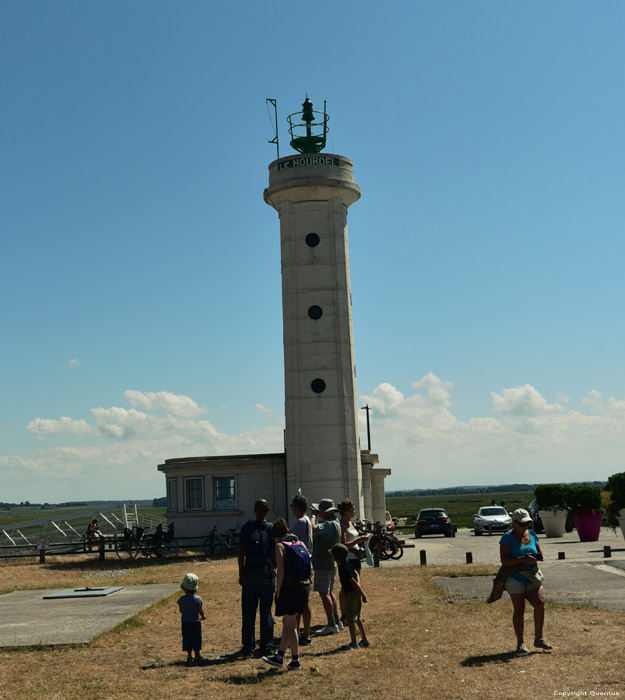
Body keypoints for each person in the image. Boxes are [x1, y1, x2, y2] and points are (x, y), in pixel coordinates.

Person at [498, 508, 552, 653]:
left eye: (527, 523)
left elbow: (540, 553)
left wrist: (538, 556)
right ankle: (520, 643)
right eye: (522, 524)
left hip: (532, 575)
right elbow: (504, 560)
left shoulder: (533, 535)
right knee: (519, 609)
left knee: (539, 604)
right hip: (515, 578)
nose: (525, 526)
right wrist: (523, 559)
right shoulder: (507, 537)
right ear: (514, 522)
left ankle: (539, 639)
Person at [261, 518, 311, 670]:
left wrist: (278, 589)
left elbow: (281, 570)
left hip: (290, 588)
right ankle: (280, 655)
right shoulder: (299, 543)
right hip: (304, 587)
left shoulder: (279, 546)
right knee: (287, 622)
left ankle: (295, 659)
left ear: (275, 535)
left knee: (291, 625)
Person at [237, 499, 275, 658]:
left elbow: (241, 552)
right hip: (266, 574)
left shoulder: (247, 527)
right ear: (268, 511)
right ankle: (266, 647)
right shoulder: (272, 529)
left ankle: (248, 647)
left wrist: (241, 573)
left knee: (248, 611)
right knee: (266, 611)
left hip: (250, 573)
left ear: (255, 510)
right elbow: (275, 553)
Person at [311, 498, 342, 635]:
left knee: (324, 594)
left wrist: (313, 516)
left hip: (323, 563)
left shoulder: (328, 524)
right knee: (329, 592)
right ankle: (336, 621)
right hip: (331, 563)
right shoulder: (336, 523)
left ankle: (331, 624)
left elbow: (314, 528)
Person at [330, 543, 370, 650]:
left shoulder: (344, 569)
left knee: (350, 619)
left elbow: (353, 582)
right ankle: (365, 639)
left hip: (351, 594)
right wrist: (359, 590)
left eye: (332, 554)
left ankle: (354, 642)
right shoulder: (347, 564)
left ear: (337, 557)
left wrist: (363, 593)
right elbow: (356, 574)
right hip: (355, 593)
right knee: (357, 616)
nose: (331, 556)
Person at [337, 499, 368, 624]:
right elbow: (343, 544)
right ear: (346, 511)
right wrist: (358, 540)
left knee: (356, 586)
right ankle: (345, 615)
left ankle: (356, 614)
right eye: (352, 509)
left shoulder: (350, 524)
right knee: (346, 588)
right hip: (348, 559)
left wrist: (361, 538)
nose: (354, 511)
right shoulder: (342, 525)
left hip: (356, 557)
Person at [290, 494, 313, 644]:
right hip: (307, 562)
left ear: (296, 508)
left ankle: (297, 632)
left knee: (298, 602)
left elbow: (288, 538)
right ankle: (306, 632)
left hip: (299, 563)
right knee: (304, 601)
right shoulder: (308, 520)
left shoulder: (299, 522)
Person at [177, 573, 206, 665]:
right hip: (195, 622)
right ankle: (197, 655)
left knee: (186, 638)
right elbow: (200, 610)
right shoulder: (198, 599)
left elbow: (181, 610)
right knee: (196, 638)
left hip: (185, 622)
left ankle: (189, 656)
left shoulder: (182, 599)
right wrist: (203, 616)